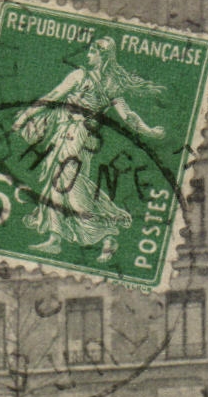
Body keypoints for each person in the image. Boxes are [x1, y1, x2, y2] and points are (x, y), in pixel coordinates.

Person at [13, 36, 164, 263]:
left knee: (66, 182)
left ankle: (105, 227)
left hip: (77, 134)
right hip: (72, 134)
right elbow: (54, 98)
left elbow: (127, 115)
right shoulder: (100, 83)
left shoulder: (92, 80)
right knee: (63, 182)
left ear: (102, 56)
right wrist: (148, 130)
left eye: (92, 52)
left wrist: (149, 131)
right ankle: (58, 238)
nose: (87, 56)